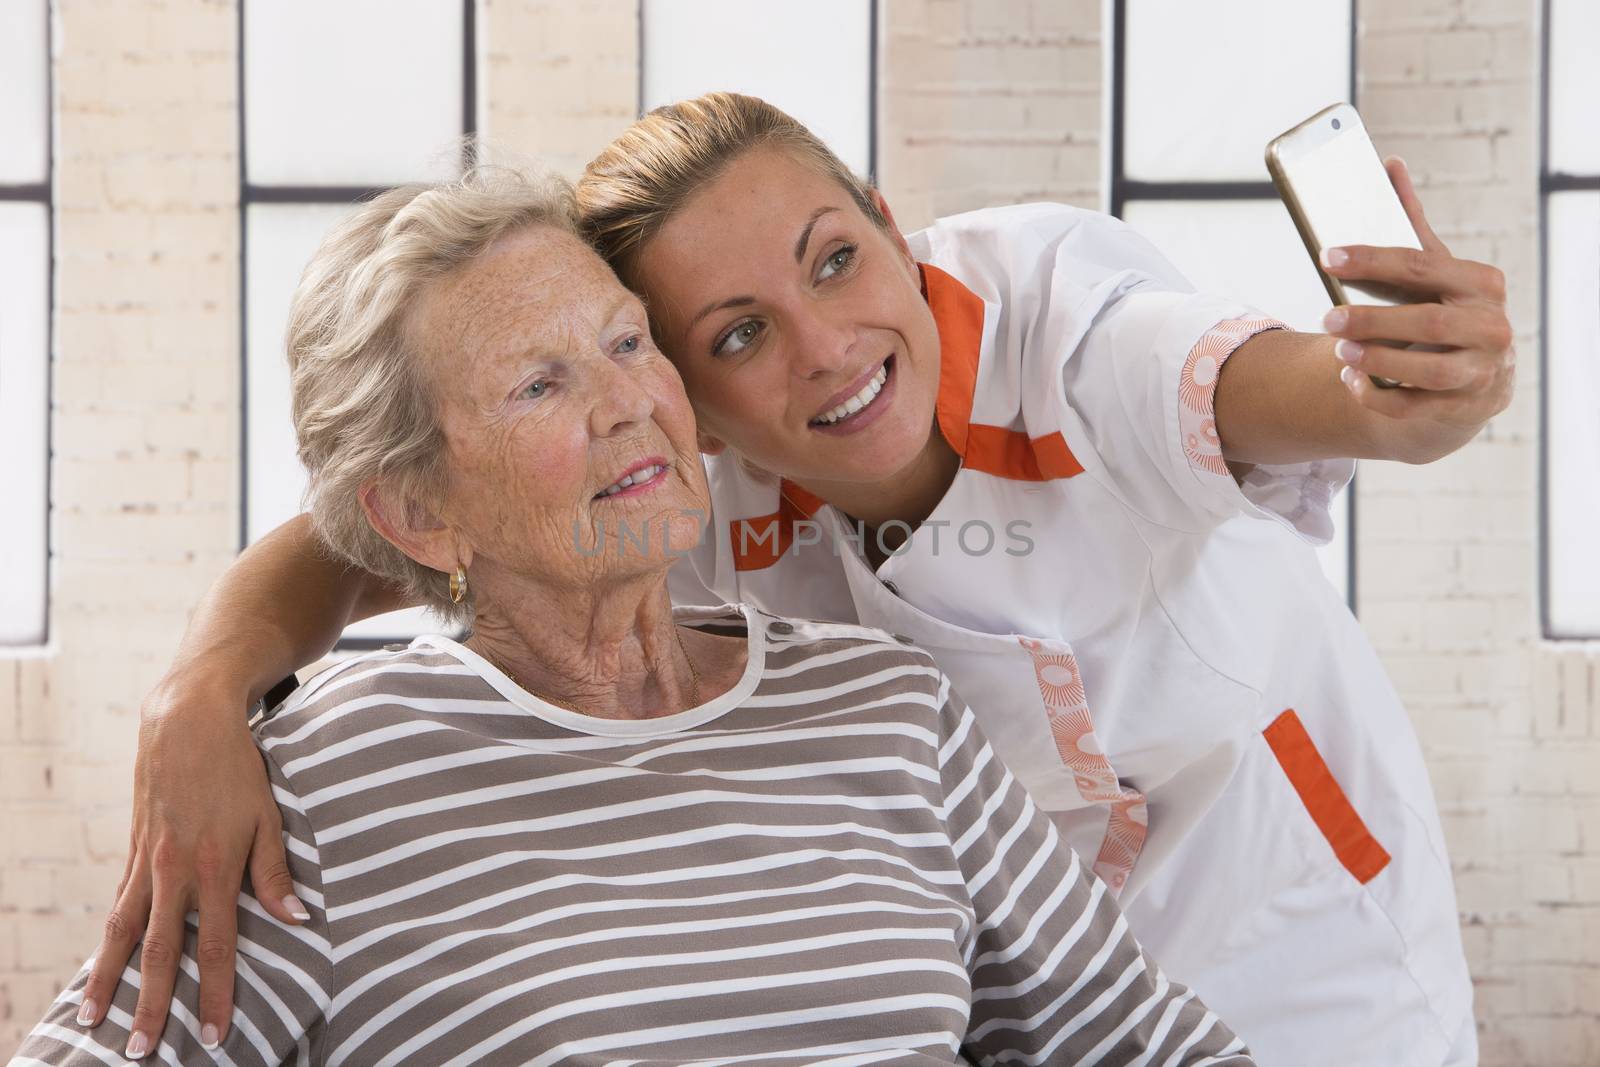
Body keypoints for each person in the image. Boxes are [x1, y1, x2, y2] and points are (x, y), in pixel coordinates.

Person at [90, 96, 1513, 1066]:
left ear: (896, 226)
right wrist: (206, 689)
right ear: (705, 394)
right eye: (731, 335)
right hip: (1037, 940)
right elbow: (362, 526)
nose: (826, 350)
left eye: (839, 261)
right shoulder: (647, 507)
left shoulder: (1061, 342)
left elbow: (1260, 384)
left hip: (1299, 929)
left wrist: (1406, 394)